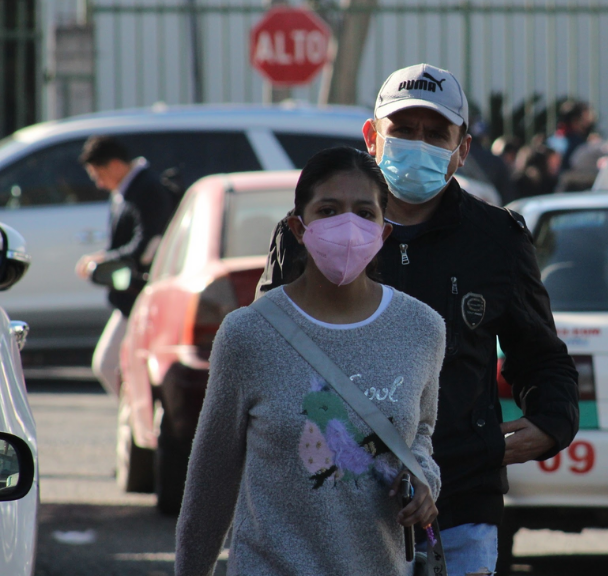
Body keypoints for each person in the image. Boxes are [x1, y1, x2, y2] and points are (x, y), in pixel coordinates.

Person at [256, 63, 580, 576]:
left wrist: (554, 420)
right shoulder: (311, 231)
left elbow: (541, 356)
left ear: (462, 149)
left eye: (435, 134)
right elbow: (267, 353)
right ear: (372, 137)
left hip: (460, 506)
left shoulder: (496, 239)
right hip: (334, 502)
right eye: (403, 131)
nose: (418, 144)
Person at [175, 147, 446, 575]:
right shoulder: (247, 334)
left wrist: (426, 480)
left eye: (364, 212)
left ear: (384, 232)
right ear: (298, 228)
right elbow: (212, 479)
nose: (348, 226)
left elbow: (421, 433)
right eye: (329, 210)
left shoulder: (422, 329)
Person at [74, 136, 176, 395]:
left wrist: (105, 260)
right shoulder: (128, 190)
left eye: (99, 173)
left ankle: (135, 422)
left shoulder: (148, 189)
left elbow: (145, 246)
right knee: (116, 365)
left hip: (142, 294)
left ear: (116, 164)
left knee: (108, 363)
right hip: (131, 294)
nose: (98, 182)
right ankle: (134, 420)